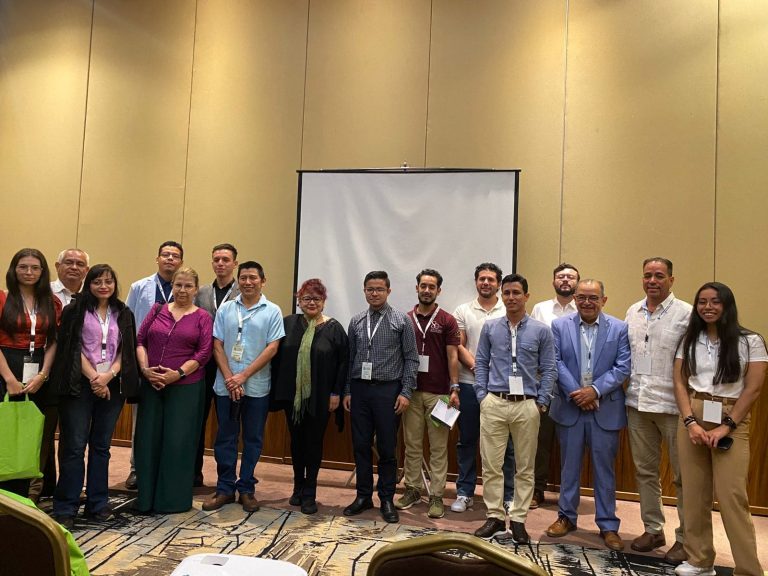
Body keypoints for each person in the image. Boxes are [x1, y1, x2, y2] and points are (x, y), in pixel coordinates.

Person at [672, 282, 766, 576]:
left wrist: (727, 426)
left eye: (715, 301)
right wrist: (690, 422)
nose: (708, 307)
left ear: (727, 305)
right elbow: (679, 382)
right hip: (693, 415)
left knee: (731, 496)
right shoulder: (689, 339)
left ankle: (748, 569)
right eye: (702, 302)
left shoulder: (750, 341)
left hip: (731, 417)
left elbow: (753, 389)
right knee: (694, 493)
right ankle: (700, 560)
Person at [51, 264, 140, 530]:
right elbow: (71, 347)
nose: (103, 286)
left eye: (108, 281)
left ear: (115, 284)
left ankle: (98, 504)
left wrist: (108, 376)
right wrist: (94, 378)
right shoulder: (74, 310)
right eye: (97, 281)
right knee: (74, 447)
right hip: (79, 385)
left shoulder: (123, 312)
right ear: (89, 284)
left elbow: (125, 349)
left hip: (111, 385)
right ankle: (66, 506)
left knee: (101, 447)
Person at [546, 279, 630, 552]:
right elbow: (555, 362)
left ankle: (608, 525)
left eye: (593, 297)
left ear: (603, 300)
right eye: (581, 297)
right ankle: (566, 517)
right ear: (575, 299)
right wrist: (578, 394)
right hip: (571, 406)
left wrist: (594, 391)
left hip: (604, 408)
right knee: (569, 467)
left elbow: (622, 367)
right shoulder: (559, 326)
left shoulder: (619, 328)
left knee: (604, 470)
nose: (587, 302)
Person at [473, 274, 556, 543]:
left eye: (516, 293)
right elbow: (481, 362)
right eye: (507, 292)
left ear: (526, 296)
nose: (511, 297)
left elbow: (550, 368)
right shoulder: (490, 327)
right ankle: (495, 517)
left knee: (525, 467)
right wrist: (482, 396)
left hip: (526, 406)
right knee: (491, 465)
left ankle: (519, 519)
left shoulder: (541, 330)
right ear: (502, 295)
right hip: (494, 403)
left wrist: (542, 402)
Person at [203, 261, 284, 514]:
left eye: (253, 278)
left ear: (263, 281)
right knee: (225, 438)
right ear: (238, 281)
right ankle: (225, 488)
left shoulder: (272, 311)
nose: (248, 282)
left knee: (253, 439)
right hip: (225, 386)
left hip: (256, 387)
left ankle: (246, 488)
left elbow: (272, 348)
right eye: (244, 278)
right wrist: (230, 378)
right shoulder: (227, 308)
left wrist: (243, 376)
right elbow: (217, 344)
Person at [625, 258, 691, 563]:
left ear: (671, 280)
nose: (653, 280)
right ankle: (653, 529)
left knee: (684, 476)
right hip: (638, 403)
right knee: (645, 471)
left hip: (675, 407)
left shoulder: (686, 314)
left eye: (659, 276)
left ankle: (687, 538)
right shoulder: (632, 311)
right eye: (648, 275)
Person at [134, 266, 212, 513]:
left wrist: (176, 374)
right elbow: (140, 341)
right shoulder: (157, 310)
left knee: (177, 443)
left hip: (185, 388)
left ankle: (172, 501)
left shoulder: (202, 317)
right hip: (152, 385)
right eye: (178, 285)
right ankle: (146, 498)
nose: (182, 290)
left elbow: (203, 353)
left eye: (188, 286)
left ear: (196, 289)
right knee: (148, 440)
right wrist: (145, 370)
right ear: (172, 286)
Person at [343, 271, 418, 524]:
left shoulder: (401, 320)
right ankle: (363, 496)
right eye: (370, 289)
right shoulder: (356, 321)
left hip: (388, 391)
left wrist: (405, 392)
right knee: (361, 445)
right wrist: (348, 390)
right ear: (364, 291)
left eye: (379, 289)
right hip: (360, 390)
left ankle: (386, 498)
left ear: (388, 291)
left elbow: (411, 359)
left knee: (387, 447)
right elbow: (350, 359)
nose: (374, 293)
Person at [271, 278, 348, 515]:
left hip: (321, 398)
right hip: (292, 398)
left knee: (313, 444)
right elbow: (276, 356)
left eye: (316, 298)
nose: (311, 302)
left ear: (324, 301)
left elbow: (343, 363)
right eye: (306, 298)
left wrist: (336, 393)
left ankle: (310, 493)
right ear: (299, 301)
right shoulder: (288, 323)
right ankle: (297, 487)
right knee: (296, 443)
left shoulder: (334, 328)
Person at [395, 269, 460, 519]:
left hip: (440, 394)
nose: (426, 290)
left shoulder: (447, 320)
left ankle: (436, 496)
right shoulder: (406, 319)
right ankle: (412, 489)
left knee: (438, 447)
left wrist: (454, 388)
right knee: (411, 444)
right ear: (417, 288)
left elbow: (453, 356)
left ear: (438, 291)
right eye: (423, 286)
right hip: (411, 393)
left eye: (432, 287)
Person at [451, 263, 515, 513]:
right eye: (481, 279)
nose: (486, 283)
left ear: (498, 283)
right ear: (476, 282)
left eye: (491, 279)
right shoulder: (463, 310)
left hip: (502, 388)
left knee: (506, 445)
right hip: (469, 384)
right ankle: (465, 492)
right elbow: (459, 345)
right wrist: (478, 368)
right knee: (467, 441)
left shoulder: (508, 308)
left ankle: (507, 495)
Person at [0, 249, 61, 499]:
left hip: (38, 371)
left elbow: (53, 341)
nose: (29, 272)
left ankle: (25, 496)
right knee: (6, 431)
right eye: (23, 267)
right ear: (14, 270)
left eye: (35, 268)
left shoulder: (52, 302)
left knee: (31, 434)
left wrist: (43, 375)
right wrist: (9, 379)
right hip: (6, 367)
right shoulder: (3, 298)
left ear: (43, 271)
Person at [123, 240, 184, 489]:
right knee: (142, 420)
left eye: (175, 256)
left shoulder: (185, 289)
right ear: (157, 259)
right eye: (165, 254)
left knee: (171, 422)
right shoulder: (139, 287)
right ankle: (136, 469)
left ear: (181, 261)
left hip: (175, 367)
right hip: (144, 362)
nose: (170, 259)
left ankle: (165, 470)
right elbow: (127, 323)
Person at [529, 262, 579, 509]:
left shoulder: (583, 309)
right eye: (561, 276)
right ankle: (536, 490)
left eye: (570, 277)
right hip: (544, 385)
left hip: (575, 388)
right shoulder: (540, 309)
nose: (565, 280)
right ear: (553, 281)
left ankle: (569, 496)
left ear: (577, 282)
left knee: (572, 444)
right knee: (540, 441)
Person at [193, 243, 240, 487]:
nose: (220, 263)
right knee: (197, 421)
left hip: (229, 366)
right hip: (202, 365)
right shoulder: (201, 292)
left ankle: (226, 480)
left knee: (227, 425)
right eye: (216, 259)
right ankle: (193, 474)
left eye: (225, 259)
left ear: (235, 263)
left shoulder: (244, 290)